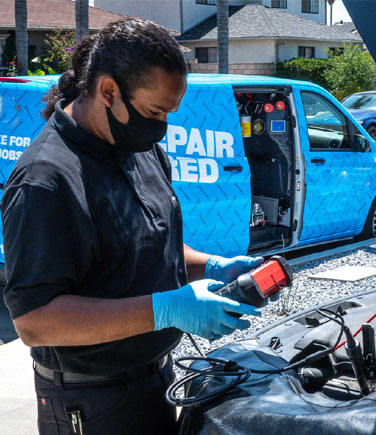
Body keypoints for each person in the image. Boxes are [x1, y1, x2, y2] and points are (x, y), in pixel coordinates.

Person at [1, 19, 264, 434]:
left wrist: (211, 266)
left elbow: (150, 242)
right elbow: (35, 320)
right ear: (108, 91)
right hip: (92, 401)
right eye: (154, 111)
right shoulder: (45, 179)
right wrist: (167, 308)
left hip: (156, 379)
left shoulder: (139, 149)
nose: (161, 127)